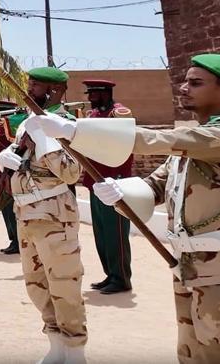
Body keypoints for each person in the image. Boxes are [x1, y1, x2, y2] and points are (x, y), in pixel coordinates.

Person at [32, 53, 220, 363]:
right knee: (192, 354)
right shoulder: (191, 147)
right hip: (191, 268)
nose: (183, 88)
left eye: (195, 83)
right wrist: (121, 192)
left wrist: (75, 131)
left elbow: (156, 139)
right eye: (185, 81)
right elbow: (154, 188)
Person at [0, 66, 85, 363]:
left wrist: (46, 138)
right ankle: (56, 347)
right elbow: (21, 159)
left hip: (54, 215)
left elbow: (71, 173)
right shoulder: (27, 123)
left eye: (35, 85)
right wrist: (6, 158)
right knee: (37, 285)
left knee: (64, 284)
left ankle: (75, 351)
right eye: (30, 84)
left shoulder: (66, 125)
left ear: (54, 90)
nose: (29, 90)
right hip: (26, 213)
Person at [79, 79, 134, 295]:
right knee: (101, 233)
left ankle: (121, 278)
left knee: (115, 232)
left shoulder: (119, 113)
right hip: (95, 181)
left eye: (94, 94)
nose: (90, 98)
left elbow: (125, 144)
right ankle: (110, 274)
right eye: (89, 94)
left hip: (113, 182)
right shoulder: (93, 114)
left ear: (105, 93)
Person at [0, 99, 21, 255]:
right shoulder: (2, 128)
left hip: (8, 176)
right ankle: (14, 240)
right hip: (1, 175)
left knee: (11, 210)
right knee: (6, 210)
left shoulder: (8, 129)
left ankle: (17, 241)